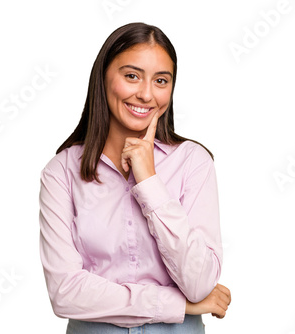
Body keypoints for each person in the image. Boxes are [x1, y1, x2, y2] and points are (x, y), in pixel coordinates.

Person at [39, 22, 231, 333]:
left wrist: (149, 182)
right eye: (131, 76)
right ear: (103, 78)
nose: (145, 94)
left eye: (160, 80)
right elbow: (65, 293)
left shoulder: (193, 162)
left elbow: (200, 283)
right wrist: (177, 305)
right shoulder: (61, 172)